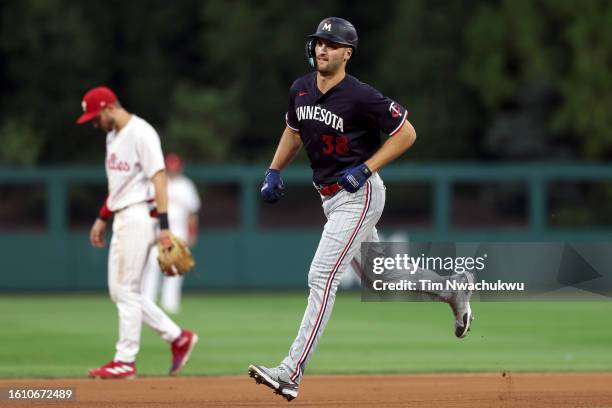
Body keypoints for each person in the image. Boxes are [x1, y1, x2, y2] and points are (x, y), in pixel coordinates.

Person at [248, 17, 474, 401]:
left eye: (332, 44)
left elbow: (407, 132)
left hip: (360, 194)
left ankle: (290, 372)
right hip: (330, 197)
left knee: (321, 277)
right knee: (382, 281)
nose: (322, 49)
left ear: (347, 53)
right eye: (319, 42)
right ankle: (453, 292)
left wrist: (368, 167)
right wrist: (273, 169)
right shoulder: (300, 89)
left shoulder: (361, 96)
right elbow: (293, 130)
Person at [77, 86, 198, 379]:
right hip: (122, 213)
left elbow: (159, 179)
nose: (94, 123)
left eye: (95, 117)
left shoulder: (141, 132)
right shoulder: (112, 136)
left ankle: (125, 359)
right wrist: (102, 217)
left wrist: (165, 228)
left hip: (138, 216)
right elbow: (120, 186)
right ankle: (176, 337)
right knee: (121, 291)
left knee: (126, 290)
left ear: (108, 107)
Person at [143, 153, 201, 314]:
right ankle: (148, 302)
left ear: (180, 168)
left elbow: (192, 213)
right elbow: (147, 209)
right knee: (153, 265)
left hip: (179, 229)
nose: (172, 170)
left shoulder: (186, 185)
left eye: (175, 167)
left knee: (175, 266)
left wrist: (192, 233)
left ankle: (170, 303)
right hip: (158, 228)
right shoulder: (158, 183)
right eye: (170, 167)